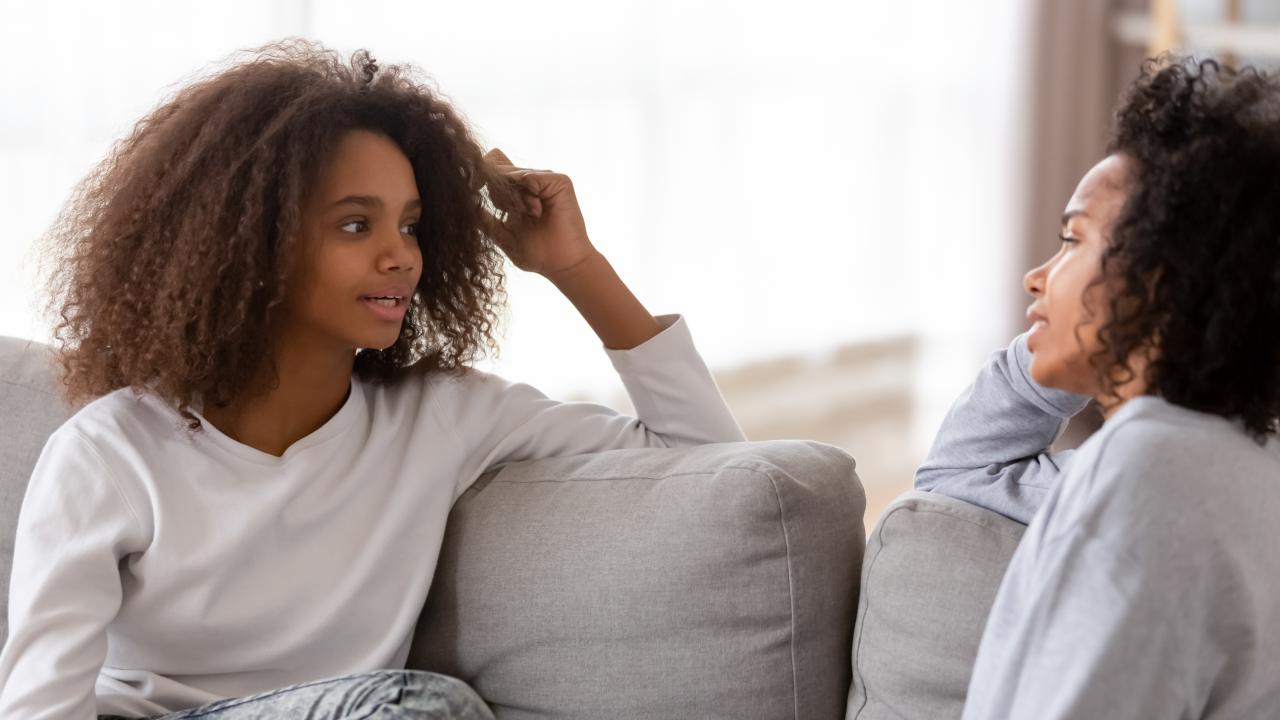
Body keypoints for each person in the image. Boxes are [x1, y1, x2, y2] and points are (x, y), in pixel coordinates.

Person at [0, 39, 744, 719]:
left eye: (412, 225)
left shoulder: (442, 416)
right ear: (248, 244)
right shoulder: (110, 452)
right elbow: (39, 706)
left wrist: (575, 267)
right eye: (357, 226)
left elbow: (704, 456)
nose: (402, 258)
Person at [917, 57, 1280, 718]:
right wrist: (1098, 344)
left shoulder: (1149, 470)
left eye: (1071, 239)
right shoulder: (1241, 462)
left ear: (1160, 276)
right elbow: (956, 472)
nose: (1036, 275)